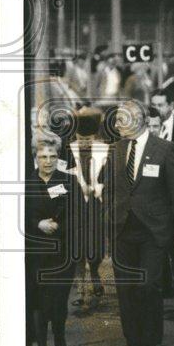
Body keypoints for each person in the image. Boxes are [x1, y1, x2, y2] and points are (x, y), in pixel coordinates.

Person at [107, 100, 174, 346]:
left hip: (154, 232)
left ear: (140, 119)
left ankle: (153, 344)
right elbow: (109, 189)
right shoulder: (116, 150)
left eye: (122, 118)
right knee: (126, 289)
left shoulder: (165, 149)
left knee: (148, 285)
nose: (117, 123)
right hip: (122, 230)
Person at [26, 134, 76, 346]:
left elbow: (77, 215)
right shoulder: (26, 183)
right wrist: (38, 224)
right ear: (35, 157)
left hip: (62, 252)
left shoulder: (68, 182)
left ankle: (59, 333)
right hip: (35, 252)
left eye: (52, 156)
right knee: (37, 302)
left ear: (59, 157)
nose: (47, 161)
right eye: (43, 156)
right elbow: (18, 216)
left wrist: (58, 227)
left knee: (58, 301)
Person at [63, 106, 109, 313]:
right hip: (75, 205)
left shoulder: (105, 150)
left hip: (96, 206)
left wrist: (96, 188)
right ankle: (81, 292)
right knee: (77, 250)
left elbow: (108, 177)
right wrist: (79, 187)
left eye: (88, 139)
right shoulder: (68, 150)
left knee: (95, 248)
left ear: (95, 135)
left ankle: (95, 274)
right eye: (81, 138)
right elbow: (63, 178)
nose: (84, 143)